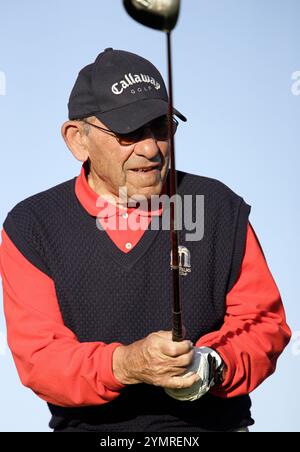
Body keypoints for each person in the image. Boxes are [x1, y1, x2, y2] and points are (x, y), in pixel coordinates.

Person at [0, 48, 291, 433]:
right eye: (129, 133)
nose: (152, 148)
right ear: (77, 140)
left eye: (161, 127)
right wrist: (126, 364)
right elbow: (41, 358)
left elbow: (264, 324)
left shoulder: (219, 207)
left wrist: (212, 364)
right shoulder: (32, 225)